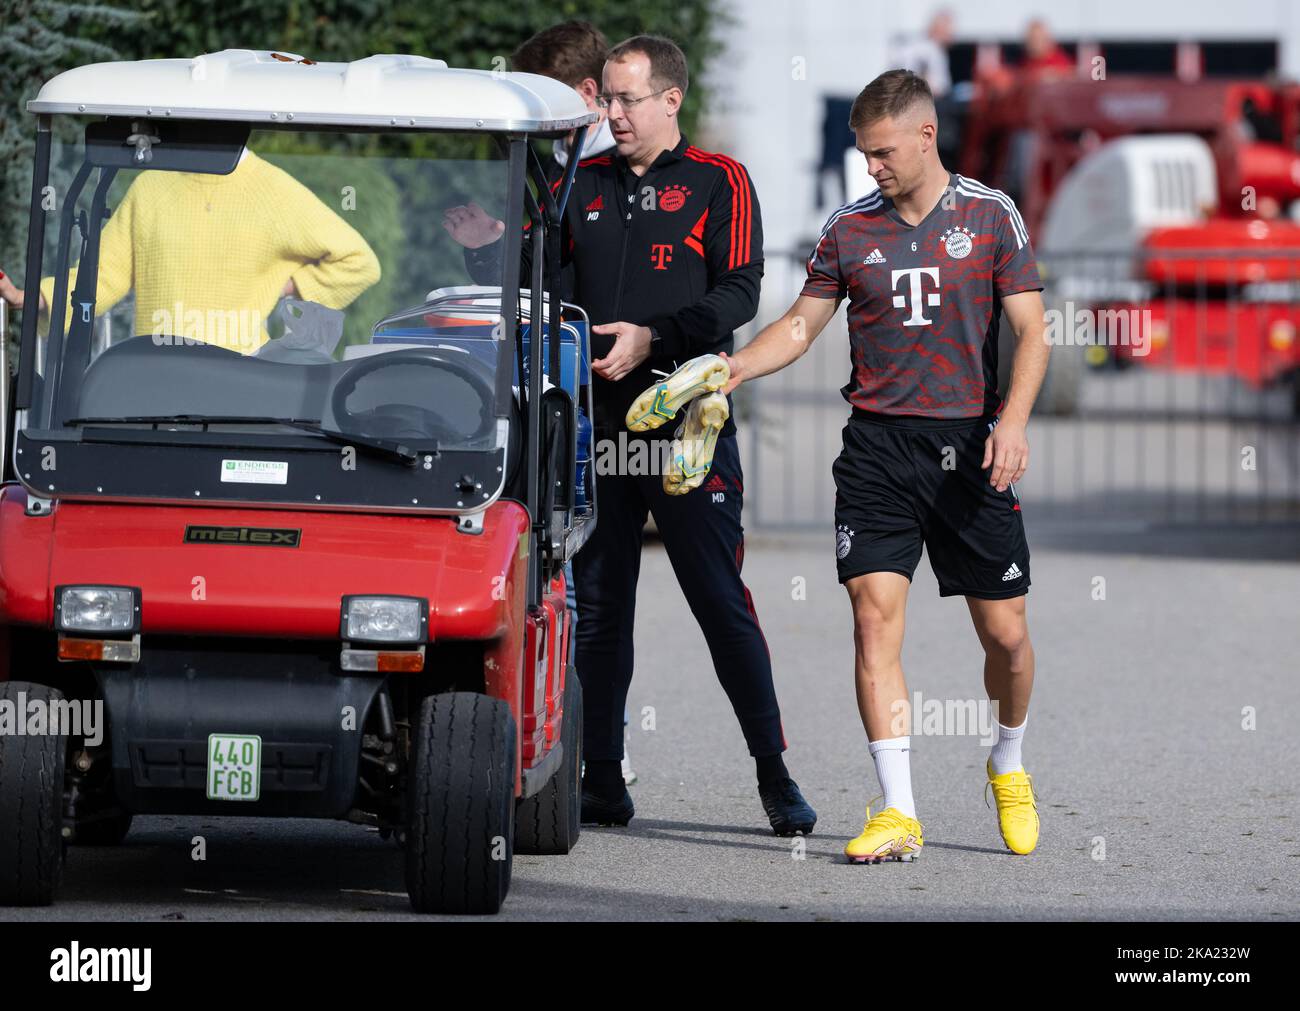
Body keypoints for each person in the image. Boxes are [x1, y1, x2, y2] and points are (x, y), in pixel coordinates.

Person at [444, 34, 816, 835]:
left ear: (670, 100)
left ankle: (775, 773)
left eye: (625, 100)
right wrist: (486, 255)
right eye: (606, 99)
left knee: (720, 600)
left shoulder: (721, 181)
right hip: (598, 432)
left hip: (686, 427)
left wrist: (655, 336)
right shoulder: (581, 184)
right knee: (603, 608)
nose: (610, 113)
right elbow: (544, 282)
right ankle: (603, 777)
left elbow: (741, 292)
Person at [721, 69, 1048, 861]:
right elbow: (800, 326)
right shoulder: (848, 229)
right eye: (864, 153)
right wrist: (729, 369)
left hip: (971, 448)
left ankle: (1006, 759)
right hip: (877, 450)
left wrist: (1011, 422)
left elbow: (1033, 333)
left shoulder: (990, 214)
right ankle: (899, 810)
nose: (871, 166)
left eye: (882, 151)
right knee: (873, 621)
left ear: (926, 135)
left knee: (1004, 635)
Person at [509, 19, 632, 784]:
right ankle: (575, 754)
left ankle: (588, 758)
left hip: (596, 398)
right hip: (555, 387)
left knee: (587, 578)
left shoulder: (604, 174)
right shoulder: (553, 166)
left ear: (582, 96)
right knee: (561, 575)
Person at [0, 147, 380, 353]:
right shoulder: (151, 188)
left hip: (244, 389)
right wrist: (30, 298)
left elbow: (359, 262)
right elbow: (103, 276)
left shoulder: (274, 190)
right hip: (155, 384)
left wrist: (287, 283)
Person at [510, 20, 618, 183]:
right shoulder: (554, 163)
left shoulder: (626, 165)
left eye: (543, 93)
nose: (532, 103)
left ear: (586, 92)